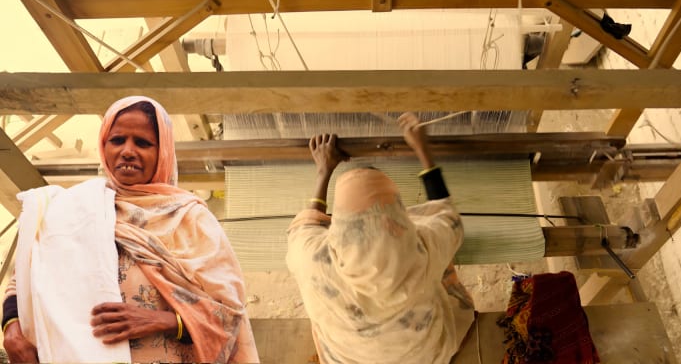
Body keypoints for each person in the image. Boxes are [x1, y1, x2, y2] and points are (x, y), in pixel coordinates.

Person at [2, 96, 259, 363]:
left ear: (163, 152)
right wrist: (12, 328)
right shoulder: (71, 208)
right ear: (104, 146)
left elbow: (229, 316)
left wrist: (162, 320)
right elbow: (24, 276)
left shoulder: (192, 219)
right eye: (117, 140)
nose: (127, 150)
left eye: (143, 143)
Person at [286, 113, 475, 364]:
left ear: (339, 223)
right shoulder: (422, 253)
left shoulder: (313, 261)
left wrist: (324, 170)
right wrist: (422, 149)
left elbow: (308, 224)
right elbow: (446, 215)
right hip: (426, 354)